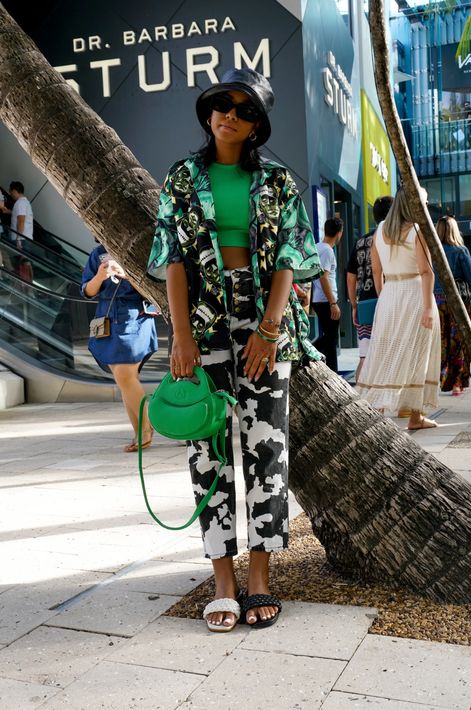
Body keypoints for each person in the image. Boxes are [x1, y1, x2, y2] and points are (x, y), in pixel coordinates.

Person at [147, 68, 323, 632]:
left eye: (246, 110)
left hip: (266, 320)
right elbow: (172, 261)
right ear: (208, 112)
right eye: (223, 103)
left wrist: (269, 329)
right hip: (201, 320)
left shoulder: (277, 180)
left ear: (257, 126)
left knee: (267, 450)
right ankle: (222, 580)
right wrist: (181, 335)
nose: (231, 114)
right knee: (209, 451)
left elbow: (290, 258)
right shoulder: (181, 177)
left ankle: (261, 579)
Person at [356, 187, 441, 430]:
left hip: (390, 294)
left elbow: (375, 270)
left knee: (385, 351)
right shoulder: (417, 231)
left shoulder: (380, 230)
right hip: (415, 293)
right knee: (418, 352)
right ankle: (415, 416)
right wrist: (426, 308)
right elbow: (426, 272)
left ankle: (377, 413)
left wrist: (386, 299)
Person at [82, 243, 158, 452]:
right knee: (124, 378)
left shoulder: (140, 248)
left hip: (135, 316)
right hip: (106, 317)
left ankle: (150, 427)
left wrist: (126, 274)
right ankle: (139, 431)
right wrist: (100, 276)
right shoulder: (97, 253)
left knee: (125, 375)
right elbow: (87, 290)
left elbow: (155, 285)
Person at [347, 196, 394, 382]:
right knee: (389, 355)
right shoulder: (391, 239)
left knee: (364, 357)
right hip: (390, 300)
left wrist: (354, 305)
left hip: (365, 303)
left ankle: (361, 399)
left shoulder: (361, 242)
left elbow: (350, 278)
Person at [434, 216, 471, 395]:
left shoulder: (432, 252)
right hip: (457, 301)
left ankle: (443, 379)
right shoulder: (460, 251)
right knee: (460, 341)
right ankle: (458, 382)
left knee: (443, 342)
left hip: (437, 302)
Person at [310, 217, 344, 372]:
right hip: (325, 300)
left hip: (319, 299)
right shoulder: (327, 250)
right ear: (339, 233)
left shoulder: (317, 247)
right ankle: (308, 353)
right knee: (331, 339)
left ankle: (327, 368)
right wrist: (333, 303)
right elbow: (324, 277)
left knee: (330, 337)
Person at [0, 182, 34, 249]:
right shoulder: (24, 202)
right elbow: (19, 215)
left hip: (21, 239)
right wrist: (8, 211)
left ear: (15, 191)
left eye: (10, 191)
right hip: (25, 238)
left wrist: (18, 238)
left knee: (23, 258)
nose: (10, 194)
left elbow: (21, 221)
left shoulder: (20, 203)